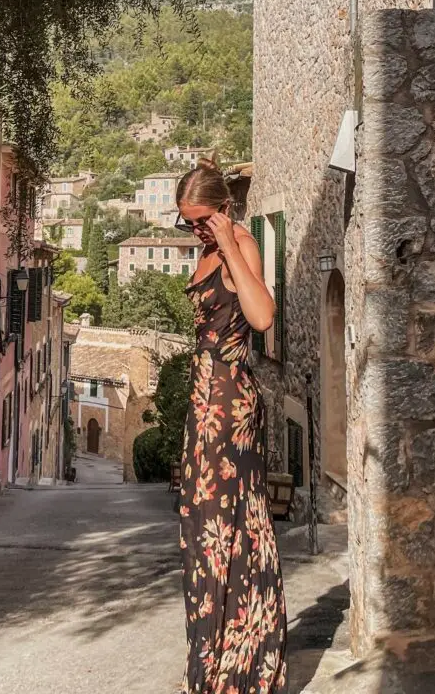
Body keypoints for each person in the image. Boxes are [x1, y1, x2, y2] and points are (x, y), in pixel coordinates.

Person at [176, 159, 287, 694]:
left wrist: (229, 242)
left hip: (231, 403)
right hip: (204, 400)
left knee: (228, 528)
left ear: (223, 208)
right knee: (204, 531)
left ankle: (238, 669)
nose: (195, 230)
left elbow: (263, 317)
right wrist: (209, 242)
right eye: (188, 223)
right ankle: (211, 663)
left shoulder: (240, 244)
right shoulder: (205, 250)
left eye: (201, 220)